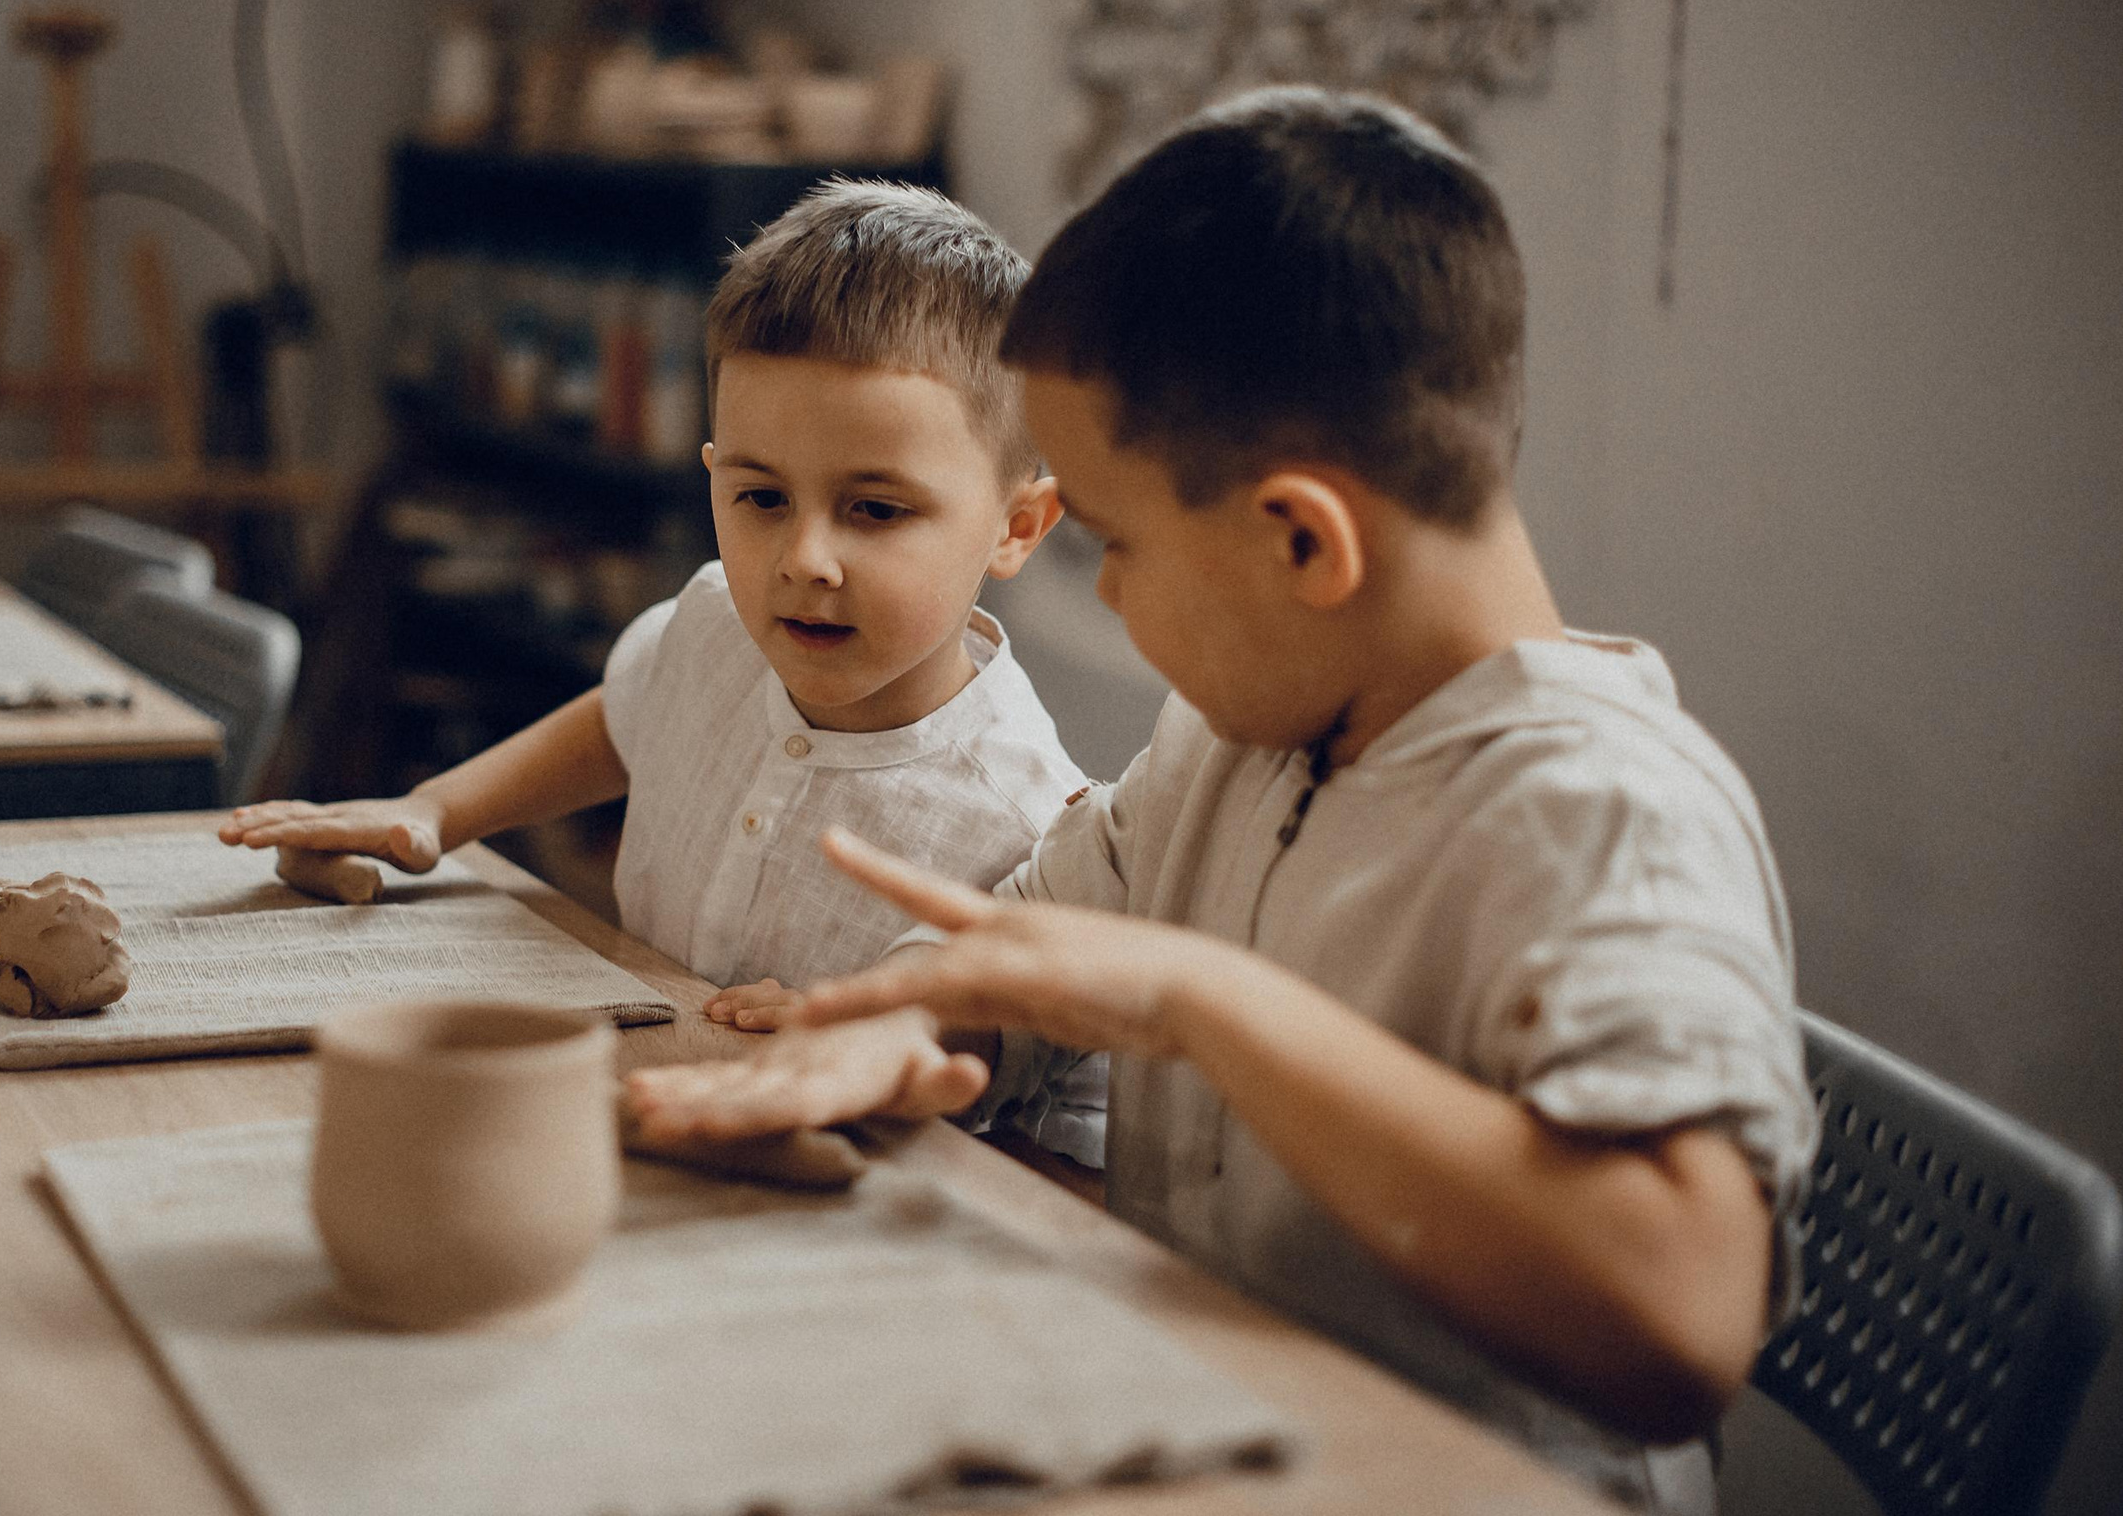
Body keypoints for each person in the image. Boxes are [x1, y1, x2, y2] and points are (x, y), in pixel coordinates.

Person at [621, 90, 1816, 1514]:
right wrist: (898, 1024)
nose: (1112, 598)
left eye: (1116, 545)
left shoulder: (1605, 818)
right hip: (1206, 1418)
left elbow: (1683, 1319)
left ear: (1302, 540)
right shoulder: (1232, 744)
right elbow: (1026, 938)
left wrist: (1207, 1002)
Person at [225, 179, 1107, 1165]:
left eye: (875, 509)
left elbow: (1032, 1092)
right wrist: (436, 808)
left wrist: (869, 1036)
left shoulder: (1032, 822)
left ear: (1015, 525)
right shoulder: (713, 623)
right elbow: (622, 717)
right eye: (761, 496)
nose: (805, 559)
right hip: (655, 1113)